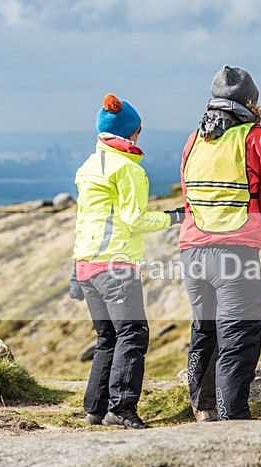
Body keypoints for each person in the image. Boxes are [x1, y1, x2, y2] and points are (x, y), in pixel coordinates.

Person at [179, 65, 261, 421]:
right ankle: (233, 419)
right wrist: (254, 235)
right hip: (236, 255)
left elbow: (188, 197)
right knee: (238, 337)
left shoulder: (194, 140)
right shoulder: (258, 140)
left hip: (191, 253)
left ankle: (203, 410)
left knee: (204, 331)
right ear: (251, 102)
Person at [70, 93, 184, 429]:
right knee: (133, 334)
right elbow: (135, 219)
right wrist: (175, 216)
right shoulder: (128, 169)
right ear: (133, 131)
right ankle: (121, 409)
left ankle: (95, 409)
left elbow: (84, 220)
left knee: (107, 337)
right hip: (115, 267)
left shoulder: (89, 166)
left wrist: (76, 268)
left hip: (86, 265)